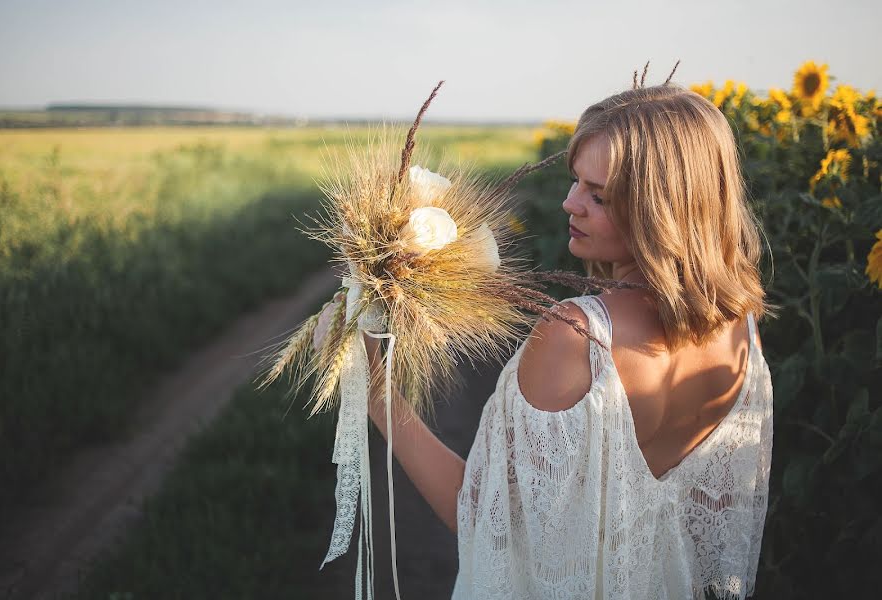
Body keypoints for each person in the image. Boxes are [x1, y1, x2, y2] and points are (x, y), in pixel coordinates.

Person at [316, 80, 775, 599]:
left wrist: (376, 392)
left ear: (661, 209)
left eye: (598, 195)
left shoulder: (576, 337)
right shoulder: (741, 327)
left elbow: (480, 517)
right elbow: (711, 521)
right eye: (575, 181)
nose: (569, 203)